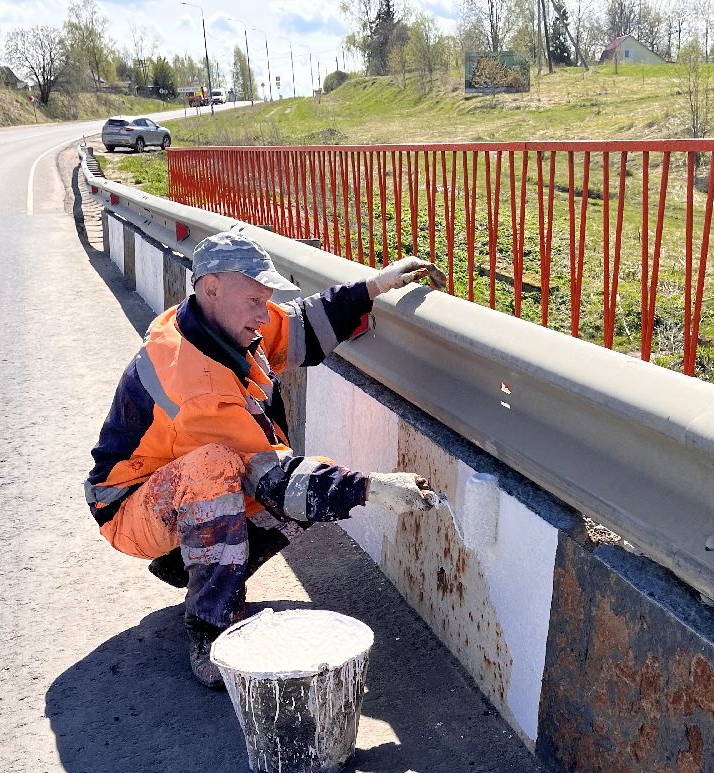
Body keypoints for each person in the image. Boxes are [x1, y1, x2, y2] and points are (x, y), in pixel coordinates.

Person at [85, 229, 445, 688]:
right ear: (211, 287)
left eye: (265, 299)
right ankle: (212, 629)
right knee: (244, 475)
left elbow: (297, 328)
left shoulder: (219, 322)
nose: (263, 314)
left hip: (169, 489)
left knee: (311, 487)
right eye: (256, 299)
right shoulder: (194, 380)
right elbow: (278, 482)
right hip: (130, 507)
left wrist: (376, 284)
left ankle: (193, 562)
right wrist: (372, 488)